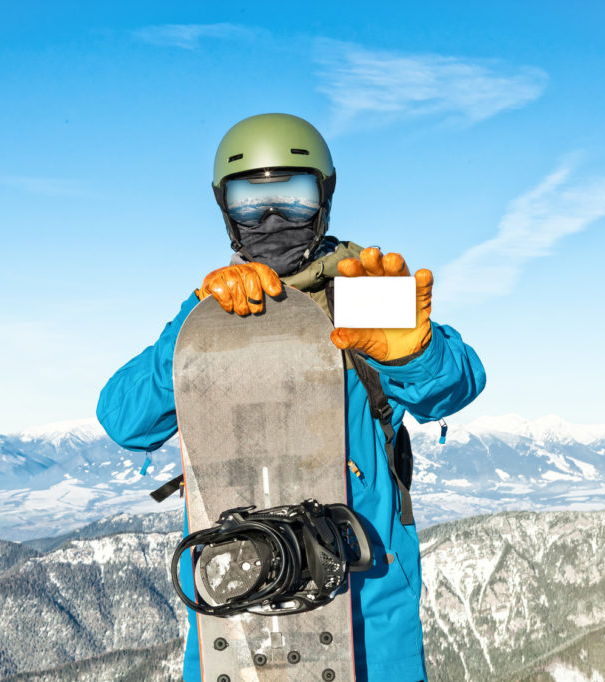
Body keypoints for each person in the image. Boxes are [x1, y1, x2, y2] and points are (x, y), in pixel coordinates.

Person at [97, 113, 486, 681]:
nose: (272, 219)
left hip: (369, 620)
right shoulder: (215, 316)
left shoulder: (360, 295)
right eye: (251, 203)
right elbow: (125, 419)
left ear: (324, 199)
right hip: (234, 615)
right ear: (224, 210)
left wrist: (415, 352)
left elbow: (454, 386)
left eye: (293, 199)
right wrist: (194, 322)